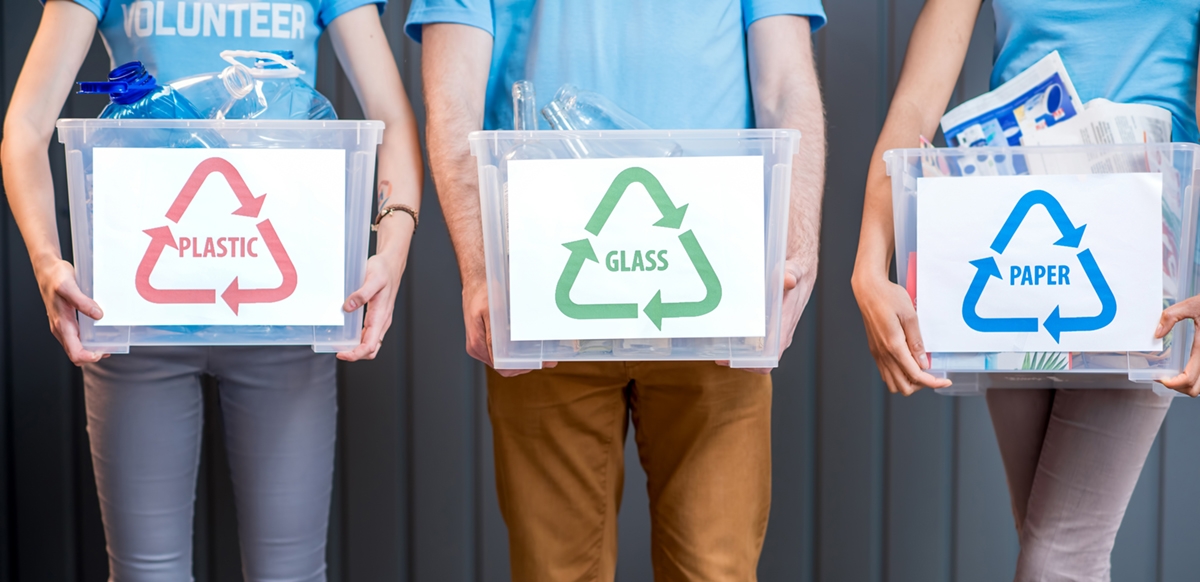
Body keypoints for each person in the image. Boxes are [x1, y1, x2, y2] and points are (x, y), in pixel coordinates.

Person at [1, 0, 422, 579]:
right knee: (147, 571)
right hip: (136, 309)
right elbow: (26, 123)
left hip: (282, 310)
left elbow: (391, 117)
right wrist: (48, 262)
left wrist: (392, 247)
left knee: (290, 572)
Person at [407, 2, 826, 579]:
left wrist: (796, 252)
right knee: (555, 571)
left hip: (713, 294)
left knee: (715, 569)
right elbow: (453, 99)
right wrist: (483, 271)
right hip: (541, 287)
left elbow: (787, 84)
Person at [852, 1, 1198, 579]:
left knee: (1059, 557)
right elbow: (916, 99)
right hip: (1010, 237)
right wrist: (870, 255)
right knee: (1049, 539)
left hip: (1141, 253)